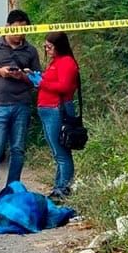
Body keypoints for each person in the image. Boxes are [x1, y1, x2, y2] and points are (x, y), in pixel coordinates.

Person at [0, 9, 41, 201]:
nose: (20, 33)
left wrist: (23, 76)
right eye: (17, 28)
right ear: (7, 27)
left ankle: (12, 189)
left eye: (24, 29)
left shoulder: (31, 51)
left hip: (22, 105)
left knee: (18, 149)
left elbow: (38, 80)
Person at [36, 32, 78, 201]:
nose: (47, 50)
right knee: (56, 152)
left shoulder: (67, 62)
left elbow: (64, 86)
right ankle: (58, 187)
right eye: (45, 47)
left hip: (57, 109)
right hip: (47, 109)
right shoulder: (55, 62)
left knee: (62, 152)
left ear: (59, 46)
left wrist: (41, 82)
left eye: (49, 47)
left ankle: (64, 188)